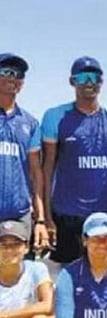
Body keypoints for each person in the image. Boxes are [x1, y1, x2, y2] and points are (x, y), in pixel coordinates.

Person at [41, 56, 107, 265]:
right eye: (82, 77)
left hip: (106, 212)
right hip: (67, 214)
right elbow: (47, 170)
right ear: (72, 81)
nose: (89, 82)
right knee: (68, 274)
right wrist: (46, 217)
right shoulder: (55, 116)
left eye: (94, 77)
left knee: (104, 272)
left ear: (101, 82)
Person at [0, 53, 48, 251]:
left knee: (20, 270)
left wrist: (41, 220)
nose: (13, 78)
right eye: (6, 72)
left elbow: (36, 173)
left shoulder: (30, 123)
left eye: (18, 74)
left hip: (20, 216)